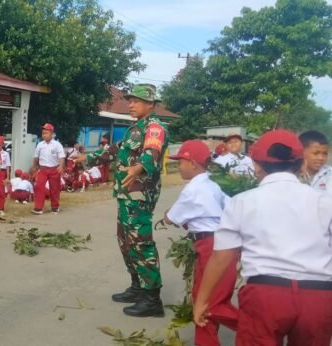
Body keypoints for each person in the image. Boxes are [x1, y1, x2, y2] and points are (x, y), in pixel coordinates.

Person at [193, 129, 332, 345]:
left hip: (266, 296)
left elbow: (222, 258)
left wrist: (202, 301)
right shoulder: (324, 202)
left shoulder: (241, 202)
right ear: (300, 163)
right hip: (317, 296)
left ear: (257, 165)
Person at [84, 84, 169, 317]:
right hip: (126, 194)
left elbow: (152, 152)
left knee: (141, 243)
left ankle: (152, 299)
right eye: (130, 100)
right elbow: (115, 150)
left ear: (150, 104)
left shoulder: (154, 127)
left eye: (136, 101)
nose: (131, 104)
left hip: (140, 195)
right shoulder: (136, 128)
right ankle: (137, 287)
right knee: (126, 241)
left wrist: (139, 167)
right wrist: (87, 159)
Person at [164, 140, 238, 346]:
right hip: (221, 243)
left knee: (211, 304)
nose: (178, 166)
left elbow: (172, 217)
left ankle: (260, 327)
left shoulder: (192, 190)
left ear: (192, 163)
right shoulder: (214, 184)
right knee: (201, 300)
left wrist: (164, 217)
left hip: (212, 246)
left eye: (180, 162)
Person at [31, 123, 65, 215]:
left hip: (54, 169)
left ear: (51, 133)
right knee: (38, 187)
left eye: (46, 133)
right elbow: (36, 157)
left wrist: (61, 166)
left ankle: (55, 207)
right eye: (43, 133)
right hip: (43, 169)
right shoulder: (40, 145)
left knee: (55, 189)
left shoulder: (57, 145)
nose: (44, 135)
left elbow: (61, 157)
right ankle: (38, 208)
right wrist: (34, 167)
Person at [298, 130, 331, 195]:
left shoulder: (329, 174)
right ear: (301, 152)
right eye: (316, 153)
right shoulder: (292, 175)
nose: (321, 158)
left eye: (325, 154)